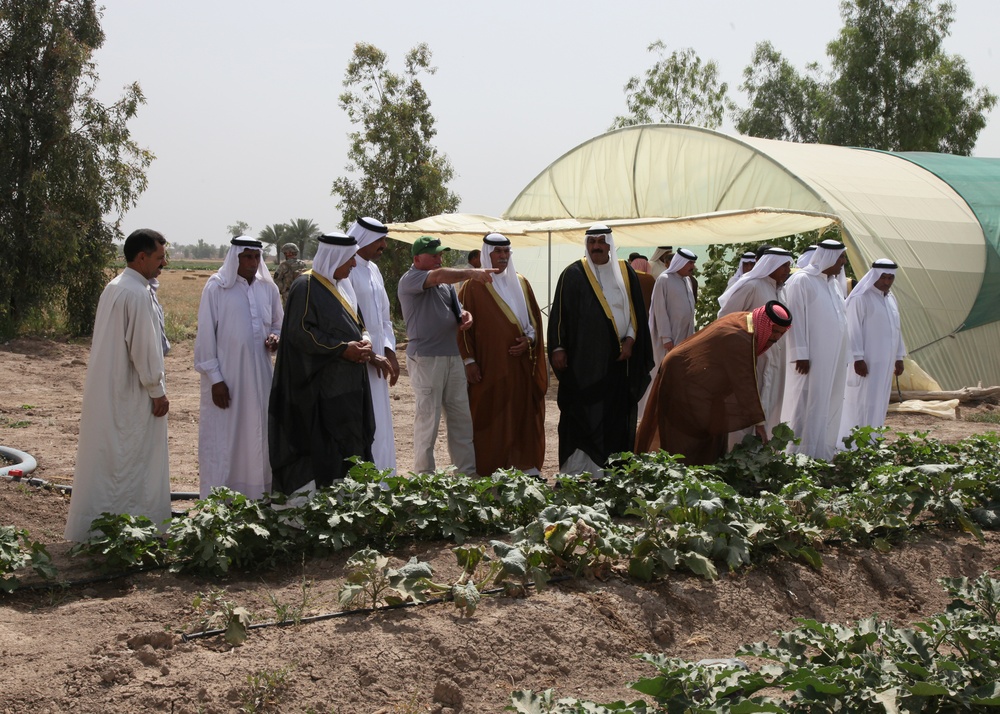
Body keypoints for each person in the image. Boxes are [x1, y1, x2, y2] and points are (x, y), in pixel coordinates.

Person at [65, 229, 171, 542]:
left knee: (110, 457)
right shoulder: (135, 293)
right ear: (142, 257)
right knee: (129, 459)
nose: (163, 263)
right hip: (130, 393)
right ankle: (129, 531)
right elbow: (144, 349)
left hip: (110, 388)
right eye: (160, 257)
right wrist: (157, 390)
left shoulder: (117, 286)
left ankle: (101, 529)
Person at [268, 232, 379, 494]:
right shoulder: (305, 286)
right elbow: (301, 332)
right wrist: (342, 349)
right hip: (320, 389)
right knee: (324, 445)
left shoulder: (344, 284)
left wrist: (365, 340)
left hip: (350, 386)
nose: (354, 264)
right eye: (350, 259)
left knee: (351, 442)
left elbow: (359, 323)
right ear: (336, 257)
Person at [548, 224, 653, 476]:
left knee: (614, 415)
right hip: (582, 363)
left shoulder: (626, 272)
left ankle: (612, 472)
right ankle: (577, 472)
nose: (596, 245)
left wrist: (629, 340)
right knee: (580, 414)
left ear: (609, 244)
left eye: (601, 241)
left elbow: (635, 312)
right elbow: (559, 314)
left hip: (617, 362)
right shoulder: (573, 273)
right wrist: (558, 347)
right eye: (592, 241)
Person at [636, 301, 792, 465]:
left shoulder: (748, 322)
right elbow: (745, 382)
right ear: (764, 323)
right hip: (684, 377)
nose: (775, 337)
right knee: (686, 435)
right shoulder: (740, 337)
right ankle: (677, 477)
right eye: (774, 331)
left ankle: (701, 474)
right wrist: (759, 423)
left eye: (780, 334)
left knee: (713, 429)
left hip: (701, 381)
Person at [398, 235, 497, 474]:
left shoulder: (445, 286)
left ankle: (466, 476)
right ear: (416, 258)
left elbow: (457, 310)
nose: (439, 259)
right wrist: (472, 273)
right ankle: (424, 483)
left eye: (440, 255)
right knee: (427, 423)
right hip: (426, 359)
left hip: (452, 357)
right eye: (434, 255)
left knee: (461, 421)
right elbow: (440, 275)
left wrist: (465, 316)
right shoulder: (411, 279)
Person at [194, 237, 283, 499]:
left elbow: (279, 324)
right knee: (227, 436)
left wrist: (276, 337)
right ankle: (223, 497)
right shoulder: (217, 288)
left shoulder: (269, 288)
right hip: (228, 378)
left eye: (256, 257)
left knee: (259, 433)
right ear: (235, 258)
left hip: (261, 377)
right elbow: (206, 336)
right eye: (247, 257)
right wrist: (215, 379)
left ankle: (259, 495)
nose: (253, 262)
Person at [458, 233, 547, 476]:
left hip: (520, 365)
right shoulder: (472, 286)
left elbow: (534, 324)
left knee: (521, 413)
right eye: (498, 252)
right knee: (490, 414)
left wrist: (529, 340)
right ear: (487, 253)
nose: (503, 256)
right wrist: (470, 361)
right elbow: (463, 329)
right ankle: (491, 467)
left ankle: (525, 467)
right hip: (489, 366)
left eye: (506, 252)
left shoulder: (522, 283)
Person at [780, 239, 850, 460]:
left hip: (833, 355)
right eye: (840, 257)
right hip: (811, 357)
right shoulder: (802, 280)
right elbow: (795, 319)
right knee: (807, 403)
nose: (843, 262)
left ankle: (821, 453)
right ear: (828, 257)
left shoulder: (832, 283)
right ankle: (798, 454)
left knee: (829, 401)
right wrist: (801, 353)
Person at [717, 248, 795, 441]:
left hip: (774, 359)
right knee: (746, 406)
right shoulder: (751, 285)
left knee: (769, 406)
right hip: (750, 359)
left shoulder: (779, 290)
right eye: (784, 266)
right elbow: (725, 319)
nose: (787, 270)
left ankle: (763, 457)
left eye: (788, 266)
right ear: (772, 265)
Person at [346, 216, 400, 475]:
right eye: (379, 240)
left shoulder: (373, 270)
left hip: (379, 360)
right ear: (364, 239)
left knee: (380, 420)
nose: (384, 246)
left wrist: (390, 351)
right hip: (357, 359)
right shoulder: (346, 270)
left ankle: (382, 480)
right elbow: (349, 320)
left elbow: (384, 318)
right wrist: (370, 355)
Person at [839, 259, 907, 442]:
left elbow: (897, 329)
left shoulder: (891, 298)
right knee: (860, 402)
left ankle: (872, 440)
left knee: (879, 402)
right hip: (865, 363)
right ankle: (851, 443)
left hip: (884, 364)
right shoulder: (860, 298)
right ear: (875, 276)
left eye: (890, 277)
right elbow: (852, 330)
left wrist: (899, 357)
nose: (887, 281)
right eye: (883, 277)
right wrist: (858, 358)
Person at [648, 247, 698, 365]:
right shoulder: (664, 280)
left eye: (693, 263)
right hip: (670, 335)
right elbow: (659, 310)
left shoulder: (687, 280)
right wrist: (666, 338)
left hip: (686, 334)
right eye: (690, 263)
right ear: (680, 262)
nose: (693, 267)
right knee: (666, 365)